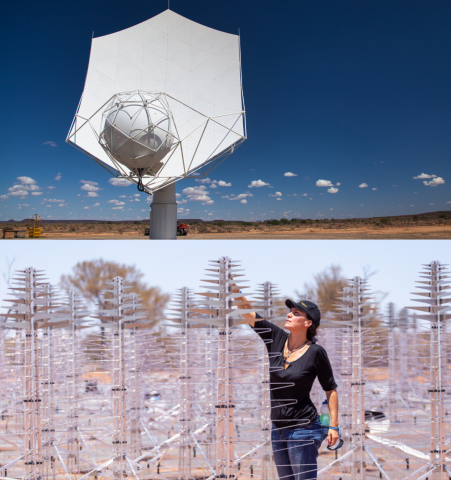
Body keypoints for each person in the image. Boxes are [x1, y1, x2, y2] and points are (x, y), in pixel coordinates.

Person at [238, 297, 339, 480]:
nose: (289, 314)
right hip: (278, 429)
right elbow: (248, 313)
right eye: (290, 311)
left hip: (303, 429)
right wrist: (235, 291)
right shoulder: (276, 338)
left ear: (308, 323)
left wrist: (334, 426)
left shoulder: (316, 352)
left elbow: (330, 390)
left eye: (296, 313)